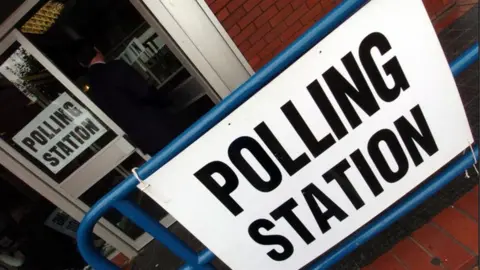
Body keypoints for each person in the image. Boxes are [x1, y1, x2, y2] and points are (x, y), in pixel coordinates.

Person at [74, 40, 179, 155]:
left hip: (141, 139)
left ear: (82, 64)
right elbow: (145, 93)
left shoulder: (91, 90)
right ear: (97, 50)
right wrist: (167, 100)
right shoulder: (115, 67)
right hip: (159, 125)